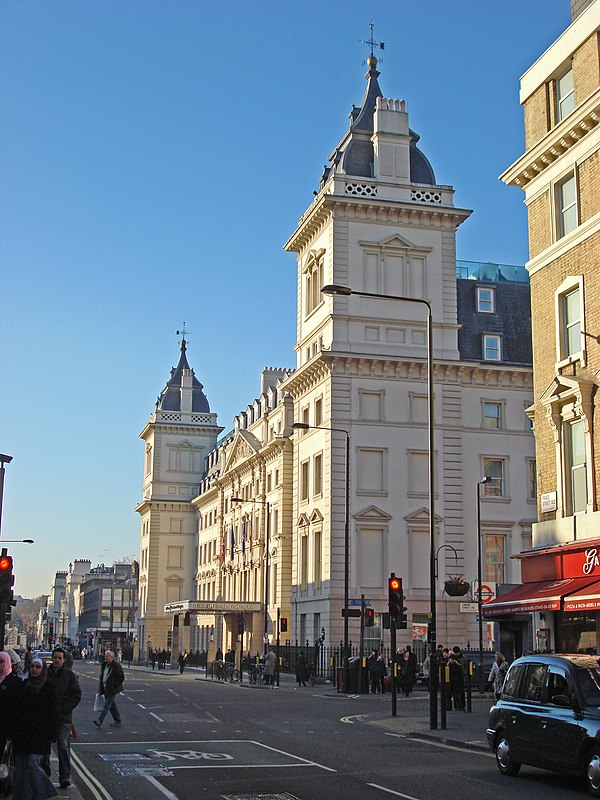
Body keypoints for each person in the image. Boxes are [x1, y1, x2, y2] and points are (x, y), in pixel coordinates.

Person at [11, 657, 58, 800]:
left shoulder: (49, 688)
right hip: (22, 735)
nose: (34, 669)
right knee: (20, 770)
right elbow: (16, 711)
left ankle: (44, 792)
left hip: (40, 735)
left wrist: (51, 734)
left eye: (38, 667)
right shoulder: (23, 685)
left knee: (33, 764)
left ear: (42, 669)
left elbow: (52, 713)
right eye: (32, 666)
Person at [44, 647, 81, 789]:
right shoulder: (45, 674)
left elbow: (76, 695)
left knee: (63, 747)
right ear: (52, 659)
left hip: (63, 718)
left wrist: (64, 709)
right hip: (47, 717)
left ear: (64, 660)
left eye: (60, 658)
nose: (57, 660)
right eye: (55, 657)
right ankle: (45, 773)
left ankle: (64, 777)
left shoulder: (69, 675)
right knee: (44, 747)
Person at [0, 651, 21, 797]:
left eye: (1, 661)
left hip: (7, 728)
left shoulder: (14, 681)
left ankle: (5, 786)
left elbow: (17, 707)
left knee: (5, 760)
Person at [94, 650, 125, 729]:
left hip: (112, 689)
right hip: (105, 688)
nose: (105, 657)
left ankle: (100, 720)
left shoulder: (116, 666)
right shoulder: (104, 665)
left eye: (107, 656)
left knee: (107, 705)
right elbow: (102, 676)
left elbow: (121, 677)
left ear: (111, 657)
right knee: (112, 706)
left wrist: (114, 685)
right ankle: (118, 720)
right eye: (105, 655)